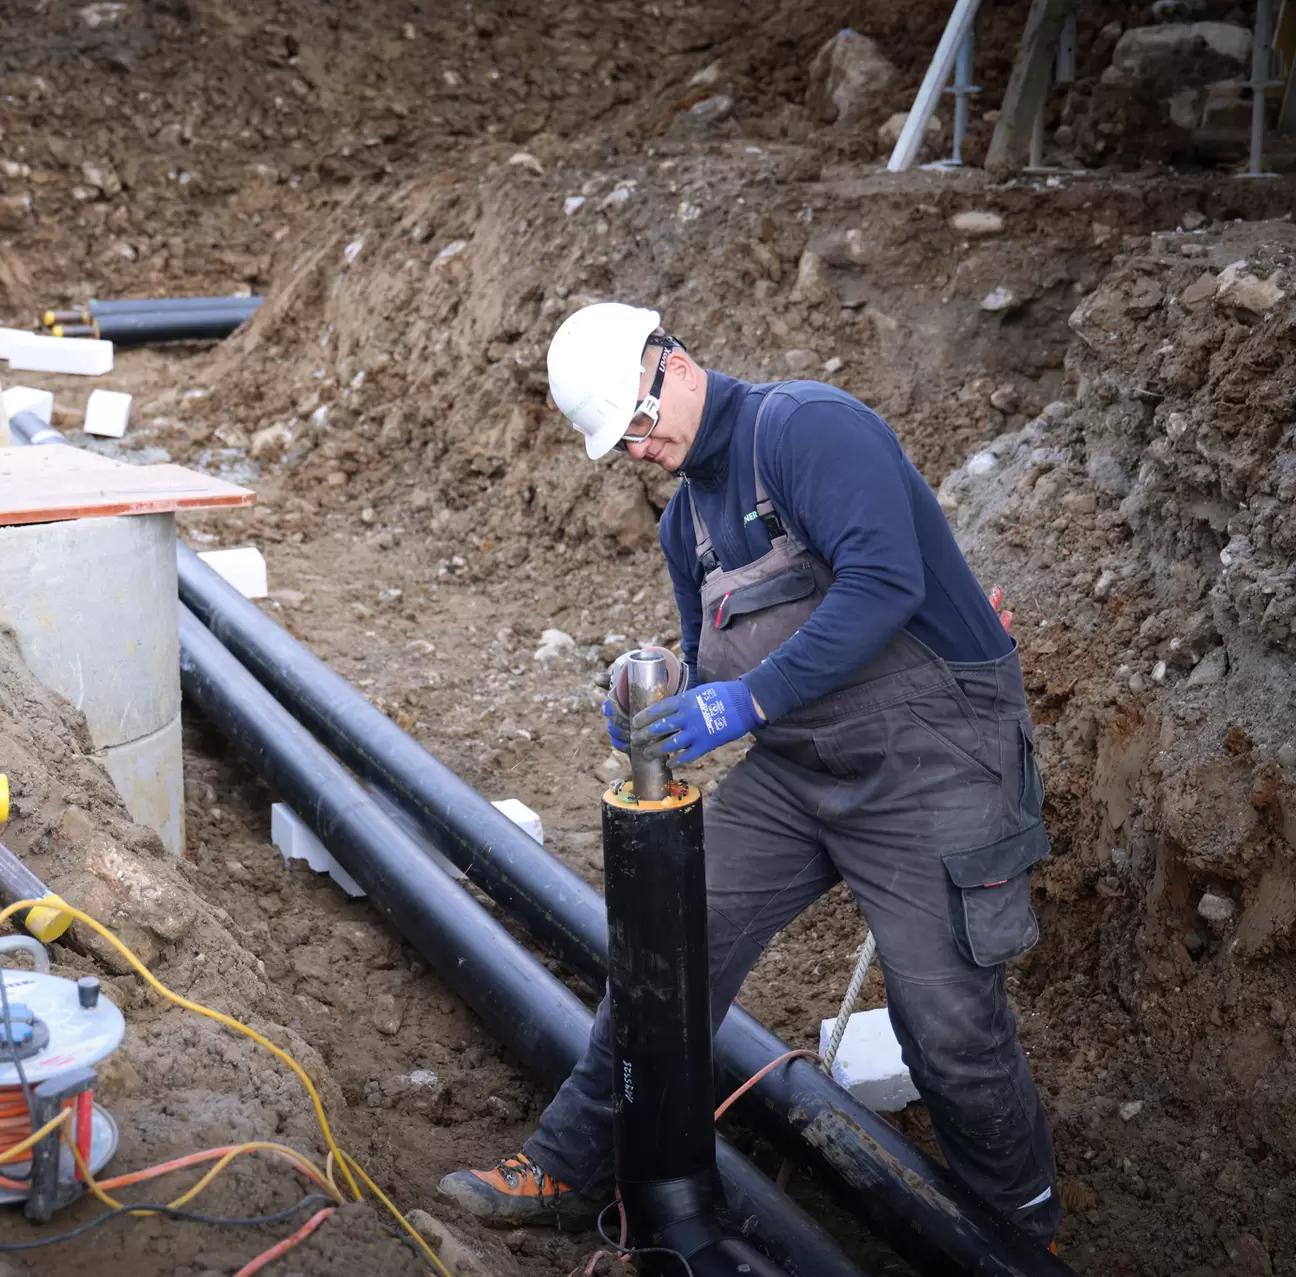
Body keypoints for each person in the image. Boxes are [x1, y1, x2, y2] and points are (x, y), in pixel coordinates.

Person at [438, 302, 1059, 1246]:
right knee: (669, 945)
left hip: (936, 759)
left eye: (639, 421)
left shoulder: (808, 428)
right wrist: (663, 697)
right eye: (621, 442)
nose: (639, 448)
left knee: (946, 1025)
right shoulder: (685, 522)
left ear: (675, 363)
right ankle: (567, 1162)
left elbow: (884, 582)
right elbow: (712, 667)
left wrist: (745, 703)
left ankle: (1019, 1235)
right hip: (801, 767)